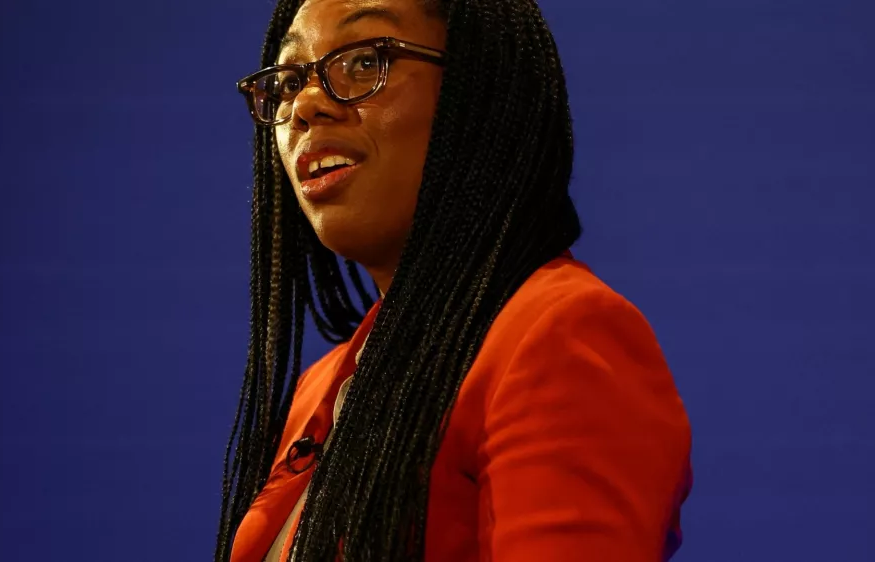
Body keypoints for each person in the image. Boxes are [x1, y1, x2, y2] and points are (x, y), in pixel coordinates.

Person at [216, 0, 693, 560]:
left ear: (481, 97)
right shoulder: (320, 390)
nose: (306, 106)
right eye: (290, 79)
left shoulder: (560, 336)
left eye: (366, 62)